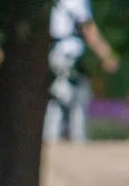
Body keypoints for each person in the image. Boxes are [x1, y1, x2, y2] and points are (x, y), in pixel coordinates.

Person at [44, 0, 118, 144]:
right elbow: (88, 28)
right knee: (77, 99)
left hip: (53, 54)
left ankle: (52, 140)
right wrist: (106, 54)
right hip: (68, 55)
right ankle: (77, 140)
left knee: (56, 99)